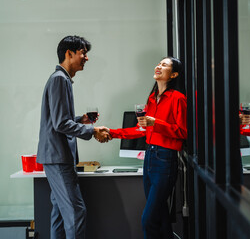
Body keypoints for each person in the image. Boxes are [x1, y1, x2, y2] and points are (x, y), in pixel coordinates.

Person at [100, 57, 187, 239]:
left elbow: (182, 132)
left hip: (166, 159)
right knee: (161, 218)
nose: (158, 66)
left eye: (164, 65)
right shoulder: (151, 98)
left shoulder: (178, 98)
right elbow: (141, 130)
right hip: (150, 157)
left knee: (148, 220)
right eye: (159, 63)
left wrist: (155, 123)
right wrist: (113, 132)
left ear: (174, 74)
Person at [37, 35, 110, 239]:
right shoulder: (60, 79)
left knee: (60, 213)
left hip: (55, 156)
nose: (86, 58)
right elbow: (60, 123)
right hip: (59, 157)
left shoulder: (61, 79)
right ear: (69, 54)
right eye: (83, 53)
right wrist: (92, 130)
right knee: (77, 213)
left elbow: (60, 119)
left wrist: (81, 119)